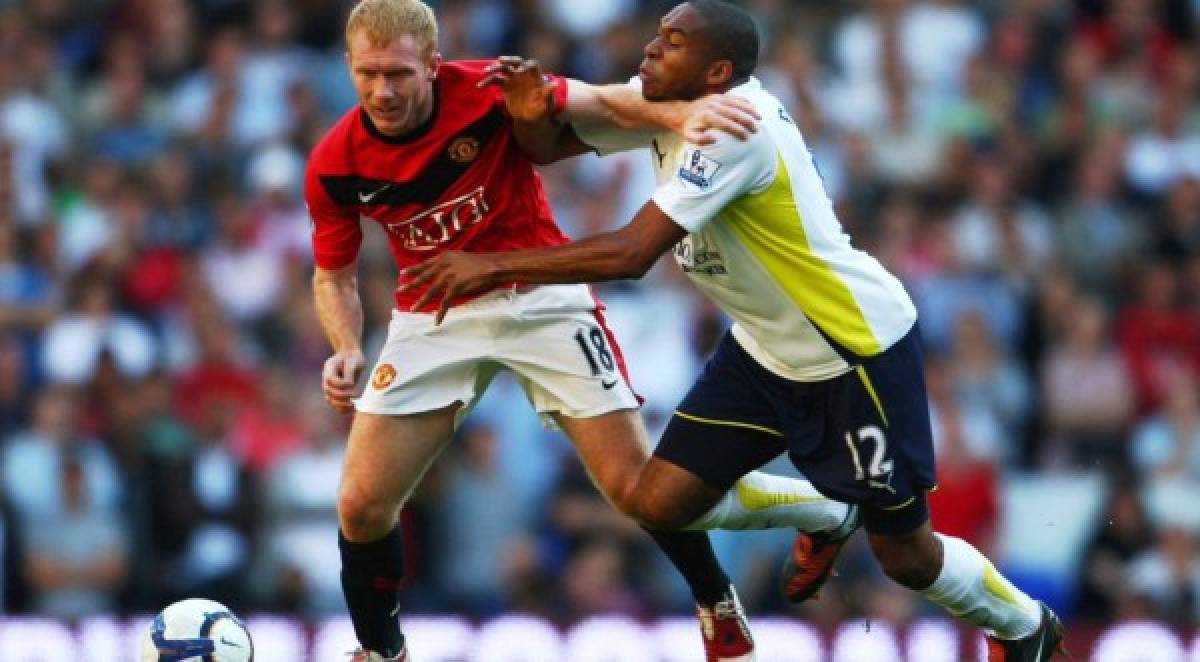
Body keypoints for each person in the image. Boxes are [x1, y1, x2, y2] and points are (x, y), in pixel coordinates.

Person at [402, 1, 1067, 660]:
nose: (653, 48)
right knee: (657, 501)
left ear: (717, 71)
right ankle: (826, 511)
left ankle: (1023, 624)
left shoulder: (735, 129)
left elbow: (634, 254)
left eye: (675, 41)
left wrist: (491, 267)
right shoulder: (662, 100)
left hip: (850, 352)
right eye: (658, 33)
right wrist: (528, 109)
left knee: (905, 555)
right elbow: (548, 148)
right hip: (761, 349)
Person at [309, 2, 856, 660]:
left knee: (640, 491)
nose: (382, 90)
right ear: (348, 66)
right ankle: (383, 652)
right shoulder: (335, 160)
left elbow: (603, 102)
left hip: (542, 299)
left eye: (398, 73)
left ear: (433, 64)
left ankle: (718, 593)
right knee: (361, 503)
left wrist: (679, 114)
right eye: (368, 74)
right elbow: (333, 278)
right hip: (436, 312)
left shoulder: (488, 87)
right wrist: (344, 347)